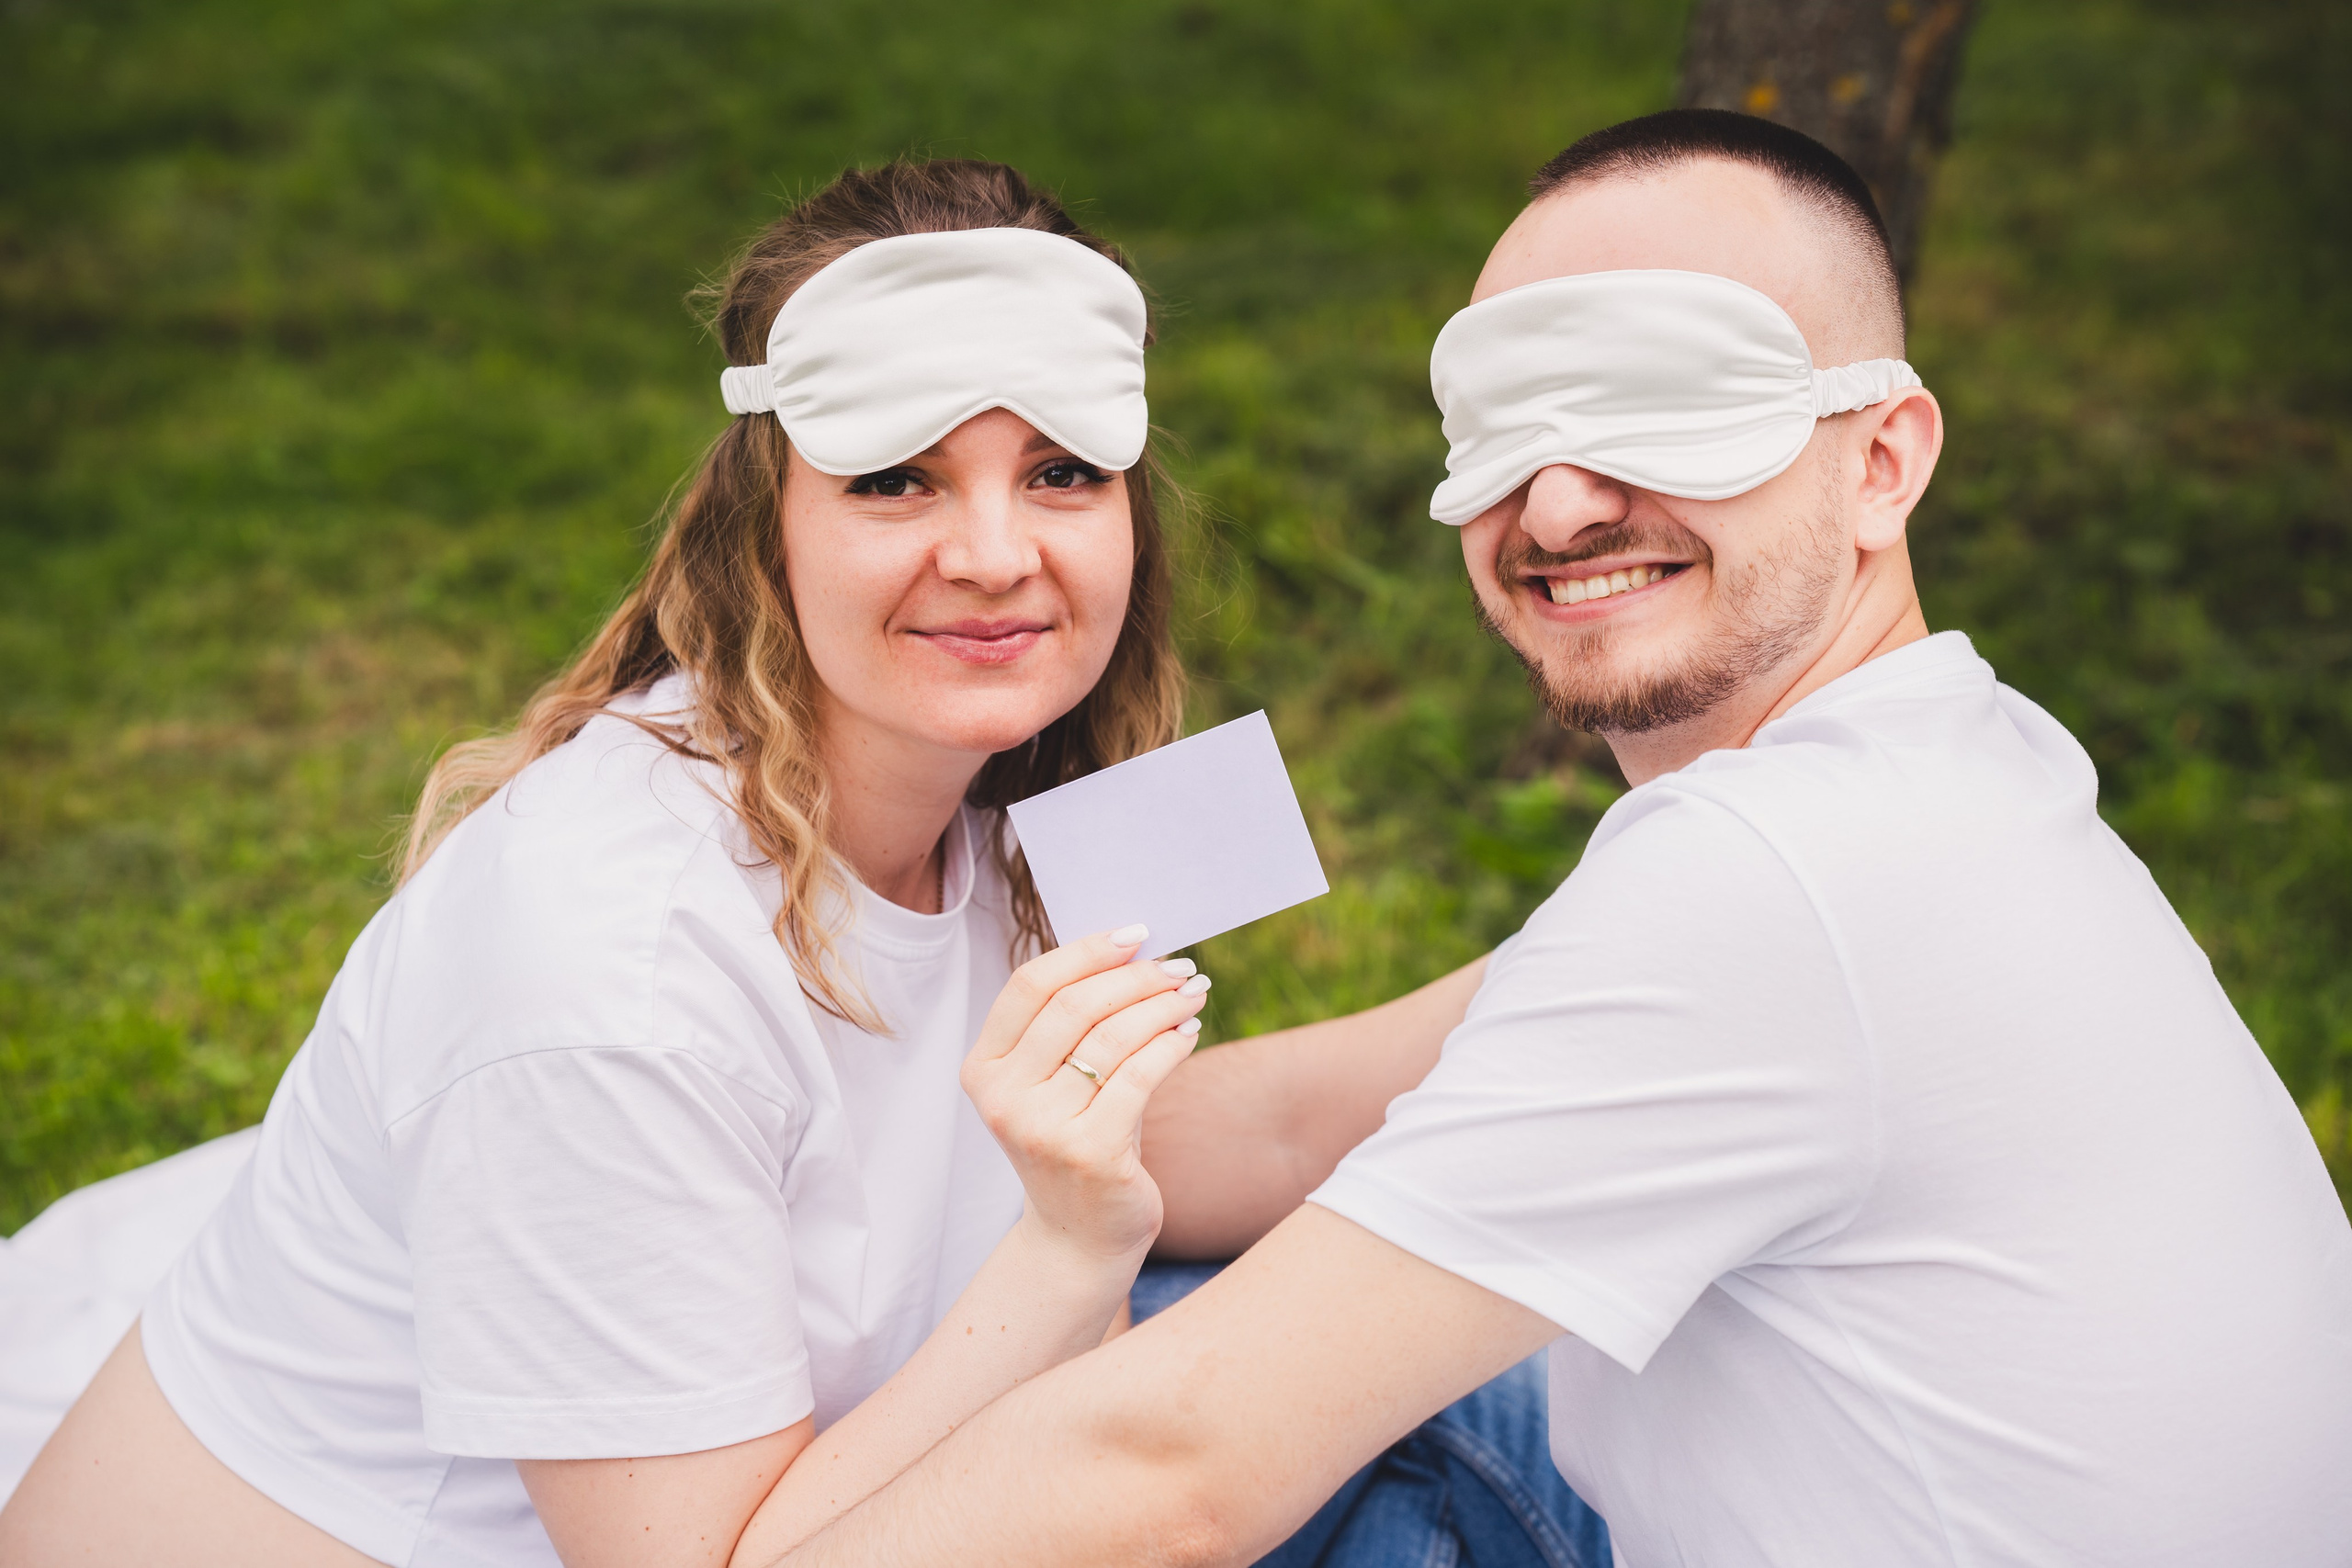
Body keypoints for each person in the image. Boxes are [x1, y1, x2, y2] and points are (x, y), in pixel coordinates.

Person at [764, 111, 2352, 1568]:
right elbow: (1304, 1128)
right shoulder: (1933, 767)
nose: (1566, 500)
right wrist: (842, 1144)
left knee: (1114, 1383)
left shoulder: (1772, 886)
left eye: (1667, 404)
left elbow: (1174, 1471)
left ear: (1882, 460)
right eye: (1510, 417)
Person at [0, 157, 1599, 1568]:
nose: (993, 552)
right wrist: (1067, 1258)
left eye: (1060, 472)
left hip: (842, 1444)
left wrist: (1637, 943)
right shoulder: (607, 972)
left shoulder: (995, 782)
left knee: (1495, 1391)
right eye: (896, 478)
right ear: (763, 519)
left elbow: (1168, 1133)